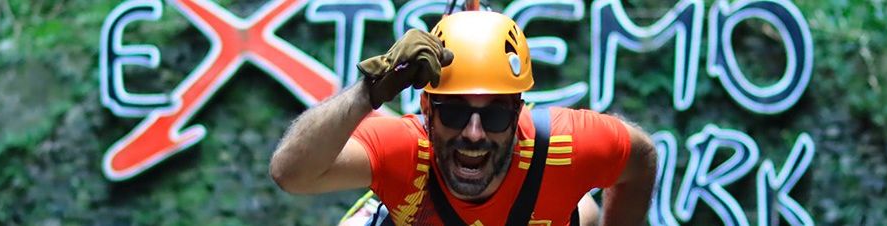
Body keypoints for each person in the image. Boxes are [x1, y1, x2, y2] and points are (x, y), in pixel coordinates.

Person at [270, 4, 656, 226]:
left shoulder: (565, 147)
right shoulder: (405, 151)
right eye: (454, 112)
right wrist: (366, 92)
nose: (473, 132)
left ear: (519, 113)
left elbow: (641, 158)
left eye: (494, 117)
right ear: (426, 112)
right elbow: (291, 172)